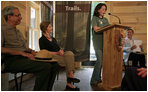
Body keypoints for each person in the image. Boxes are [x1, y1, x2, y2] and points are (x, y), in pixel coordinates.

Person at [1, 6, 60, 91]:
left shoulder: (18, 32)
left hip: (24, 58)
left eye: (20, 15)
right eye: (18, 15)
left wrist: (31, 51)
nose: (21, 17)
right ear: (9, 17)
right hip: (10, 61)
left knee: (55, 65)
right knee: (45, 66)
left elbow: (24, 47)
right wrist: (21, 53)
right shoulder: (2, 29)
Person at [39, 21, 80, 91]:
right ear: (45, 29)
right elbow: (44, 52)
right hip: (50, 57)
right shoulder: (41, 40)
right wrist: (57, 53)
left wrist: (61, 51)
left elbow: (58, 48)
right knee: (69, 61)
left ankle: (70, 75)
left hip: (59, 55)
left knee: (69, 53)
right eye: (50, 26)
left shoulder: (53, 39)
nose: (51, 28)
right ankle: (70, 82)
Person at [90, 3, 110, 86]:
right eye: (102, 9)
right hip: (97, 43)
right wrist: (104, 28)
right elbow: (95, 29)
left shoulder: (105, 20)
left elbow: (109, 29)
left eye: (105, 9)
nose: (104, 11)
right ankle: (94, 80)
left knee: (102, 62)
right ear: (98, 10)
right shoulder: (95, 18)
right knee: (99, 61)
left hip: (105, 44)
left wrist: (101, 28)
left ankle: (99, 78)